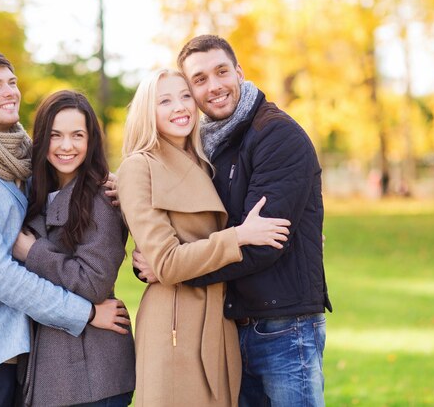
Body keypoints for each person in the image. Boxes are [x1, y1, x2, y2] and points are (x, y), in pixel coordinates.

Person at [135, 35, 332, 406]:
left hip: (284, 327)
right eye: (200, 79)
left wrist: (173, 268)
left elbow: (262, 244)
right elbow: (193, 227)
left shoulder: (276, 135)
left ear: (239, 72)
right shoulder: (208, 145)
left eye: (221, 72)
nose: (214, 86)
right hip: (230, 325)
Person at [0, 49, 128, 406]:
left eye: (12, 82)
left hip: (25, 355)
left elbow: (70, 178)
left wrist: (113, 181)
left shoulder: (14, 160)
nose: (10, 92)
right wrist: (87, 312)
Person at [117, 69, 291, 407]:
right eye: (164, 100)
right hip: (175, 327)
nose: (180, 107)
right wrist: (238, 237)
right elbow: (166, 263)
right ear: (146, 111)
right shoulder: (139, 167)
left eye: (185, 96)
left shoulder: (206, 161)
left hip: (218, 320)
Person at [11, 90, 135, 406]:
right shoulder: (36, 193)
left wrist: (33, 252)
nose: (67, 146)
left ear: (91, 140)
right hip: (55, 367)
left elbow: (93, 283)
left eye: (77, 135)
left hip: (92, 372)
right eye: (56, 135)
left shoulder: (100, 198)